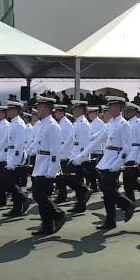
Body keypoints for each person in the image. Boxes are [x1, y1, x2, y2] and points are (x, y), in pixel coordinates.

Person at [75, 96, 136, 229]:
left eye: (113, 106)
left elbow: (127, 147)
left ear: (120, 108)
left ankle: (127, 204)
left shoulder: (123, 124)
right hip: (106, 159)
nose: (110, 109)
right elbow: (97, 141)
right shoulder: (110, 124)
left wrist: (118, 163)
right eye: (109, 106)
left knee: (108, 189)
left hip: (114, 160)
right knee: (107, 192)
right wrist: (83, 154)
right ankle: (110, 220)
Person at [30, 95, 66, 236]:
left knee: (39, 195)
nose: (37, 109)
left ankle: (58, 215)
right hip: (40, 163)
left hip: (47, 166)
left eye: (38, 107)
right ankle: (47, 226)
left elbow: (56, 150)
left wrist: (52, 170)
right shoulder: (42, 125)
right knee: (40, 196)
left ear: (45, 107)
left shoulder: (52, 126)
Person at [0, 99, 31, 218]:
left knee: (6, 179)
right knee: (12, 181)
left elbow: (19, 144)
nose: (8, 111)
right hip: (11, 154)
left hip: (16, 156)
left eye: (11, 109)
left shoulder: (18, 124)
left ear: (17, 111)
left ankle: (23, 199)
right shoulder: (12, 122)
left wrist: (14, 161)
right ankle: (17, 207)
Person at [63, 100, 93, 213]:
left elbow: (85, 143)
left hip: (80, 157)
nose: (73, 111)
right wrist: (63, 152)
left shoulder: (84, 123)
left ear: (80, 110)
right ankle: (80, 204)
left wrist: (80, 158)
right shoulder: (77, 123)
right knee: (76, 179)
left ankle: (85, 191)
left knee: (68, 177)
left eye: (75, 109)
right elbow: (71, 140)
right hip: (74, 155)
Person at [53, 104, 74, 204]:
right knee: (60, 177)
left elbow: (69, 141)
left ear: (61, 112)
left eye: (57, 112)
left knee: (66, 177)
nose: (55, 114)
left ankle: (81, 190)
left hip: (65, 154)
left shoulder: (67, 124)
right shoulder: (60, 123)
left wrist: (64, 153)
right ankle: (62, 196)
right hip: (60, 153)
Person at [85, 106, 105, 193]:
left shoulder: (100, 123)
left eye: (90, 113)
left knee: (97, 170)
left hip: (99, 150)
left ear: (95, 113)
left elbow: (100, 136)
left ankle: (103, 184)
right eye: (88, 113)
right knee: (91, 170)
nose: (89, 115)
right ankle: (94, 187)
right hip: (92, 150)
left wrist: (89, 138)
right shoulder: (91, 123)